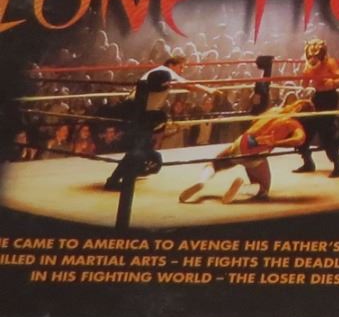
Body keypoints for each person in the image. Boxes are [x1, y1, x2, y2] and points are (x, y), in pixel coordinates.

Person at [103, 54, 214, 191]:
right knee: (138, 150)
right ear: (171, 65)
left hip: (139, 112)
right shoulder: (165, 72)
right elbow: (188, 85)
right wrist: (208, 89)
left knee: (143, 149)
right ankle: (114, 180)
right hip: (139, 113)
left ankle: (132, 172)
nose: (182, 70)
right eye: (181, 67)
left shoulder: (158, 73)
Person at [180, 98, 312, 204]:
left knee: (214, 164)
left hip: (243, 141)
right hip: (257, 151)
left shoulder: (275, 111)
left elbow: (254, 121)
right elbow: (299, 139)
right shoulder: (294, 124)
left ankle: (201, 181)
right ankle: (242, 188)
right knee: (263, 189)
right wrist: (276, 142)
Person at [293, 38, 339, 178]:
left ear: (321, 55)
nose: (313, 59)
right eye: (310, 56)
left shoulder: (330, 62)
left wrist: (333, 82)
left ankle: (338, 166)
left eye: (315, 56)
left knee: (326, 130)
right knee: (304, 128)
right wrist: (303, 81)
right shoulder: (308, 66)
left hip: (330, 97)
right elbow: (304, 85)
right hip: (317, 97)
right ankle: (308, 162)